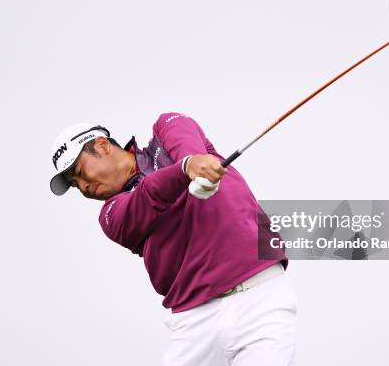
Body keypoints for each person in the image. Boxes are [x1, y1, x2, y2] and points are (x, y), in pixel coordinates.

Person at [49, 112, 297, 365]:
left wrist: (194, 165)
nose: (83, 186)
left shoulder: (165, 130)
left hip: (262, 297)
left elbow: (183, 140)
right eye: (75, 185)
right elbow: (149, 196)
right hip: (194, 322)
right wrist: (185, 170)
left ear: (102, 145)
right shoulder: (111, 215)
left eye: (80, 172)